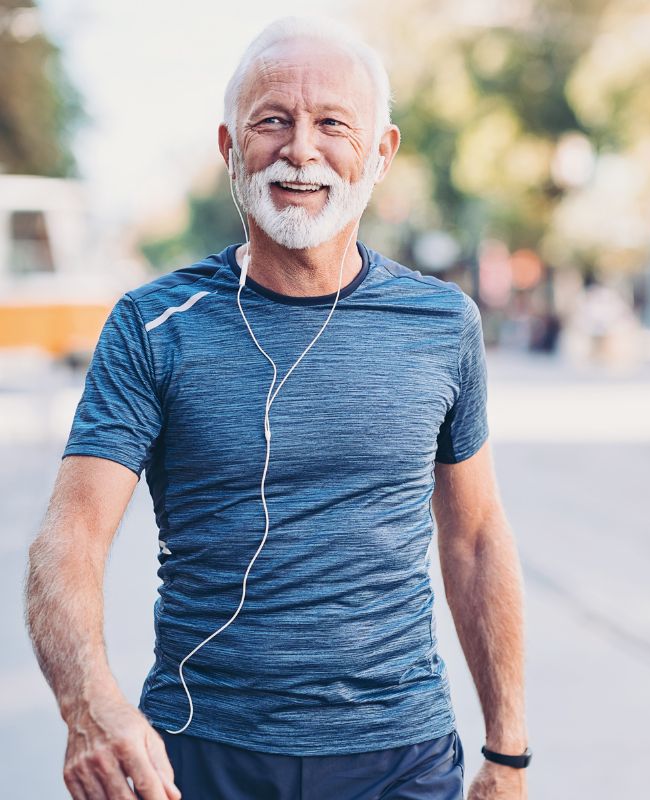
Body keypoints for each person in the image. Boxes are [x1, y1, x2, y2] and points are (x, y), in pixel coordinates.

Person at [24, 16, 529, 800]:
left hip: (399, 757)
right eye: (272, 120)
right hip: (200, 754)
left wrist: (508, 750)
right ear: (230, 148)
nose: (301, 149)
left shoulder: (442, 322)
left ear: (381, 153)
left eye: (334, 123)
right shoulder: (153, 325)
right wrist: (88, 708)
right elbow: (71, 536)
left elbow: (475, 539)